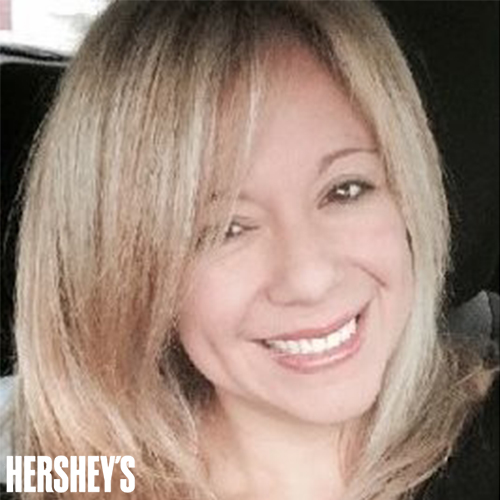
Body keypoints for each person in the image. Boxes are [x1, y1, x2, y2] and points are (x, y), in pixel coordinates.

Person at [1, 1, 498, 499]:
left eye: (345, 190)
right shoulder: (79, 471)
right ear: (126, 268)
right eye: (227, 229)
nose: (308, 278)